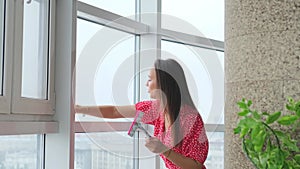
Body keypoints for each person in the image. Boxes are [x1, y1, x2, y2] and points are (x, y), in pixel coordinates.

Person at [75, 59, 209, 169]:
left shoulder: (190, 118)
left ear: (164, 83)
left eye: (150, 79)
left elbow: (196, 166)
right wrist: (81, 109)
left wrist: (165, 150)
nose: (146, 84)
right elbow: (115, 111)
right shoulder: (156, 109)